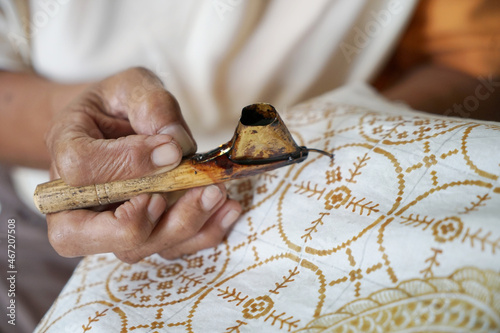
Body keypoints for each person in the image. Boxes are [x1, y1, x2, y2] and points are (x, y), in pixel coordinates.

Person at [0, 0, 499, 332]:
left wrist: (347, 120)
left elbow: (473, 60)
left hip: (303, 169)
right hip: (42, 218)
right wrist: (62, 129)